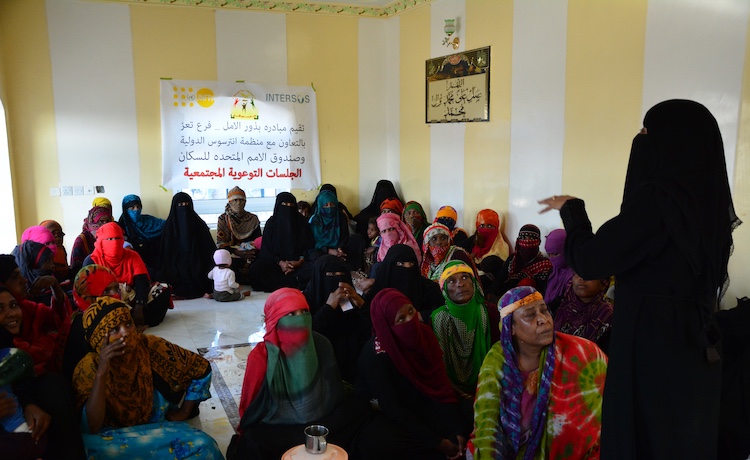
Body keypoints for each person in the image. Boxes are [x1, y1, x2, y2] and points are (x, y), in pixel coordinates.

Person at [537, 100, 741, 459]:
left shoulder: (658, 201)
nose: (640, 139)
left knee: (642, 438)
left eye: (647, 132)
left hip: (651, 347)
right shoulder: (708, 207)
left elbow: (592, 259)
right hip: (694, 345)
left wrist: (573, 209)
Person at [468, 286, 608, 459]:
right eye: (529, 315)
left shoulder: (583, 353)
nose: (543, 320)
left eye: (544, 310)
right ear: (510, 327)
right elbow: (486, 423)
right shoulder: (497, 362)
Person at [71, 297, 221, 459]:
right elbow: (91, 427)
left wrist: (185, 411)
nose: (126, 333)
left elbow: (200, 368)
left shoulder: (151, 346)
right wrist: (102, 372)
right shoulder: (88, 367)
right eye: (114, 329)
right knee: (84, 450)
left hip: (157, 429)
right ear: (99, 339)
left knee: (203, 446)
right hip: (114, 436)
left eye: (128, 324)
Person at [230, 288, 369, 460]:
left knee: (361, 410)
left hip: (322, 420)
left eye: (304, 312)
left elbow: (334, 392)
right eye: (291, 314)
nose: (300, 320)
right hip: (281, 424)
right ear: (274, 320)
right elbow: (251, 405)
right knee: (253, 442)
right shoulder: (262, 356)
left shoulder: (321, 344)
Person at [354, 288, 471, 460]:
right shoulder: (377, 355)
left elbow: (439, 384)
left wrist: (457, 430)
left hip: (426, 400)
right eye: (401, 319)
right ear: (387, 326)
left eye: (411, 311)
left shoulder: (424, 334)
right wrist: (439, 442)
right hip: (393, 413)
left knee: (469, 414)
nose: (410, 320)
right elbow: (393, 408)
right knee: (376, 442)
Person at [0, 287, 86, 459]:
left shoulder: (11, 354)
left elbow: (17, 384)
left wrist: (28, 403)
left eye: (13, 305)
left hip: (20, 427)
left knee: (52, 385)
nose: (11, 314)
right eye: (0, 309)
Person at [431, 261, 499, 398]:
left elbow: (498, 354)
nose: (460, 284)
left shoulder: (490, 312)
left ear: (474, 282)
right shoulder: (438, 318)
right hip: (452, 390)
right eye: (451, 281)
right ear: (444, 290)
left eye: (465, 277)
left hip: (489, 383)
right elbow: (438, 365)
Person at [86, 222, 170, 328]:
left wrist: (139, 306)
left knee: (163, 289)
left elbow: (142, 282)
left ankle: (129, 320)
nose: (114, 243)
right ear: (100, 241)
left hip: (133, 299)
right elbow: (90, 291)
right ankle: (130, 321)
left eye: (117, 238)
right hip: (109, 302)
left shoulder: (132, 256)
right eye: (109, 239)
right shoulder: (92, 260)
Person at [0, 255, 72, 375]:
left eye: (20, 274)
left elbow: (61, 320)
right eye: (14, 277)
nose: (24, 280)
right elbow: (28, 356)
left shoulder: (26, 308)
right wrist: (54, 337)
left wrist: (55, 286)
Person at [303, 255, 370, 384]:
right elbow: (305, 336)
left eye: (342, 274)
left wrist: (362, 304)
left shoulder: (351, 300)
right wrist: (328, 308)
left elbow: (371, 328)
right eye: (331, 274)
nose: (338, 280)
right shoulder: (305, 301)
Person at [62, 264, 121, 382]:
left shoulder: (107, 315)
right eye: (106, 291)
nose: (115, 295)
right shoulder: (82, 325)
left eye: (116, 288)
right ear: (88, 294)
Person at [248, 192, 315, 291]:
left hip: (298, 263)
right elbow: (266, 250)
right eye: (284, 205)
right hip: (275, 263)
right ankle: (295, 283)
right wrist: (280, 262)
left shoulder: (302, 223)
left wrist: (299, 261)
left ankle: (285, 283)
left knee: (315, 267)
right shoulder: (271, 224)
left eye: (291, 205)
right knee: (256, 269)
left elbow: (308, 246)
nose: (288, 208)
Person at [157, 192, 215, 299]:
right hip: (176, 265)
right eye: (180, 205)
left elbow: (209, 251)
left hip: (198, 263)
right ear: (174, 207)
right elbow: (166, 256)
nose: (184, 208)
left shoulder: (199, 225)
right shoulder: (169, 228)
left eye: (186, 204)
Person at [365, 244, 443, 322]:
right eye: (400, 264)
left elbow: (443, 313)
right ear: (389, 265)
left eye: (411, 264)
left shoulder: (429, 288)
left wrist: (420, 316)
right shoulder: (379, 291)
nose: (407, 268)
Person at [552, 274, 613, 353]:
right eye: (577, 274)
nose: (581, 278)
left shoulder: (608, 315)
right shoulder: (559, 305)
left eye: (589, 275)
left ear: (603, 284)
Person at [216, 186, 262, 283]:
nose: (239, 203)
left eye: (241, 200)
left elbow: (258, 241)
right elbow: (221, 244)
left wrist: (250, 253)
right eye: (235, 200)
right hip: (232, 254)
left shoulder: (253, 219)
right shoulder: (223, 219)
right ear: (229, 202)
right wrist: (239, 253)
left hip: (251, 254)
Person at [493, 224, 552, 296]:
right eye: (523, 238)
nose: (527, 241)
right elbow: (501, 278)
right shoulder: (513, 259)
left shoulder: (544, 265)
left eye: (531, 238)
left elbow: (541, 290)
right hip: (506, 295)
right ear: (518, 240)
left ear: (539, 242)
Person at [461, 209, 510, 288]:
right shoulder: (473, 240)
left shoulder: (502, 247)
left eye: (490, 226)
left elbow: (501, 275)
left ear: (496, 227)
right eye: (482, 226)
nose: (485, 229)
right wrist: (468, 257)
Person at [117, 194, 165, 269]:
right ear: (125, 209)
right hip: (135, 264)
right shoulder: (121, 226)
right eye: (132, 208)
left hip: (155, 260)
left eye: (138, 207)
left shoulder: (148, 220)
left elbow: (167, 224)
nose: (136, 210)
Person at [70, 206, 113, 276]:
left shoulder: (111, 237)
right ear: (92, 222)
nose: (105, 224)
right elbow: (76, 267)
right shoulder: (81, 240)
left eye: (108, 221)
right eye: (101, 221)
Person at [543, 229, 575, 305]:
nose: (551, 259)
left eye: (555, 254)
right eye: (549, 255)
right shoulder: (553, 272)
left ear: (567, 251)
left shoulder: (577, 277)